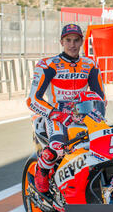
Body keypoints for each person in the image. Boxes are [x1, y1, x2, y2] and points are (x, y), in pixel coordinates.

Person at [26, 24, 106, 196]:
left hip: (84, 114)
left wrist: (98, 115)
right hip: (56, 115)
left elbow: (100, 97)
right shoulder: (48, 65)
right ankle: (41, 171)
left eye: (76, 40)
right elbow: (32, 100)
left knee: (103, 144)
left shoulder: (90, 64)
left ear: (82, 42)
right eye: (68, 40)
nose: (72, 44)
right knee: (58, 147)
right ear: (61, 42)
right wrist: (57, 114)